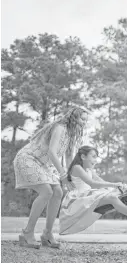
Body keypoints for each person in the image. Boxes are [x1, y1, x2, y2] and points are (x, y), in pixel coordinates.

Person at [14, 107, 89, 249]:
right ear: (73, 117)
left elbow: (68, 157)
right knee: (46, 192)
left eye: (86, 120)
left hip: (44, 163)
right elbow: (52, 153)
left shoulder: (71, 134)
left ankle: (47, 235)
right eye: (82, 119)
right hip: (28, 158)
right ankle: (27, 233)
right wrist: (62, 175)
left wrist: (70, 176)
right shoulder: (60, 127)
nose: (84, 122)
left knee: (58, 192)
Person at [59, 146, 127, 235]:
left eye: (96, 157)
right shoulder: (77, 167)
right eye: (93, 157)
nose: (95, 160)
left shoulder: (89, 169)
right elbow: (92, 183)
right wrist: (114, 184)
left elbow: (100, 181)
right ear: (83, 156)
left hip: (89, 196)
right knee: (112, 197)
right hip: (79, 199)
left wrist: (116, 188)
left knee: (121, 197)